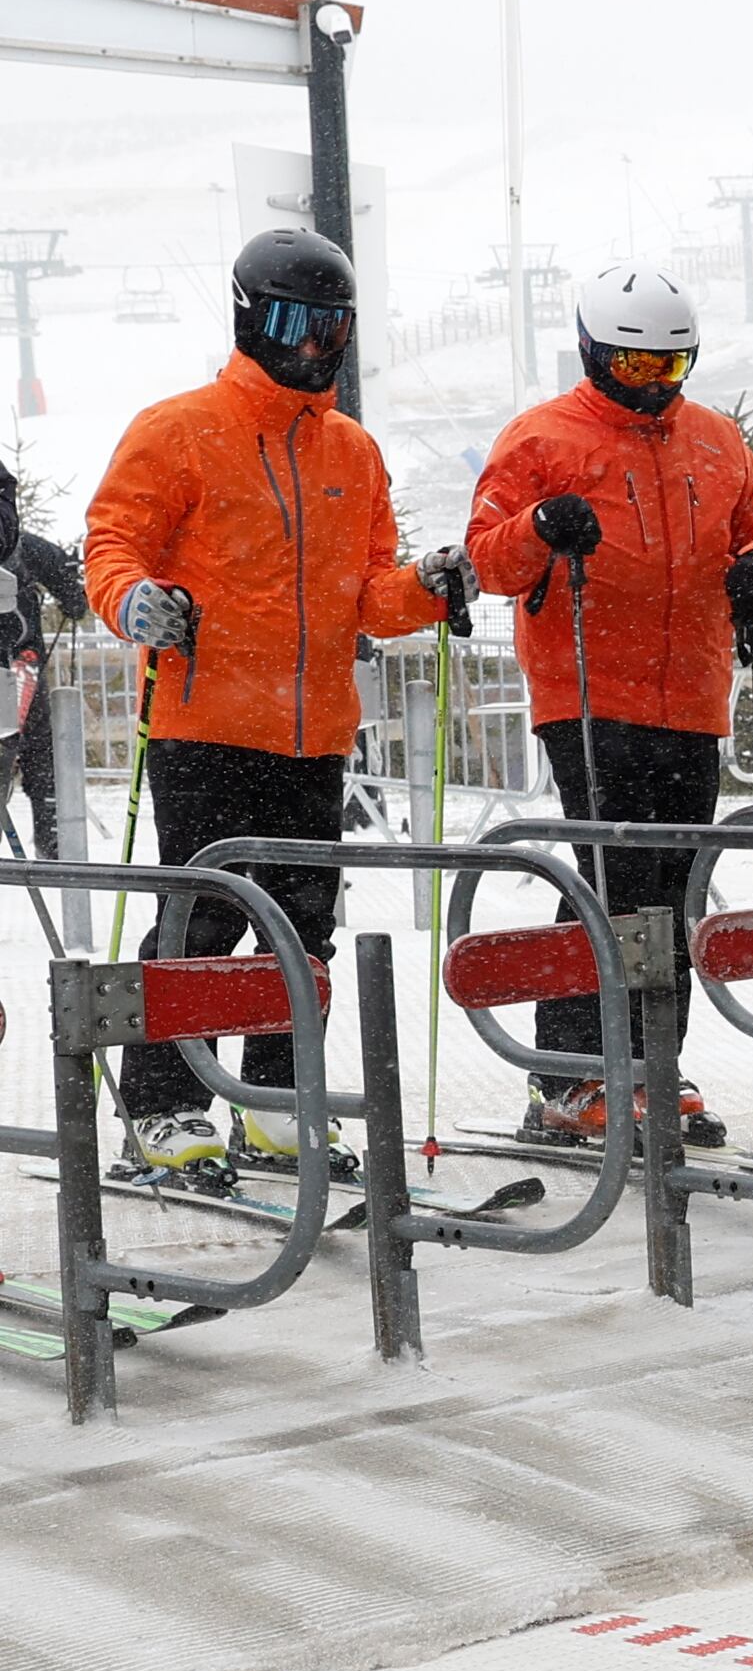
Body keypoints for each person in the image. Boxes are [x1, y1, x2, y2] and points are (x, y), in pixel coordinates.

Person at [86, 229, 468, 1179]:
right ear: (250, 317)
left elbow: (369, 595)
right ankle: (165, 1106)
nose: (313, 346)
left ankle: (278, 1103)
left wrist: (426, 583)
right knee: (202, 920)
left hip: (314, 733)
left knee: (302, 928)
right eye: (295, 323)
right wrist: (139, 604)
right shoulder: (178, 429)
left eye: (333, 327)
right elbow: (112, 545)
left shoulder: (353, 450)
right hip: (204, 721)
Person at [466, 265, 753, 1143]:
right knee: (613, 882)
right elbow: (488, 558)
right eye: (636, 367)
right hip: (588, 689)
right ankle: (573, 1075)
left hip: (691, 694)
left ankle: (653, 1063)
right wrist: (541, 529)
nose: (655, 386)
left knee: (672, 887)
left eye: (672, 368)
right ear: (591, 351)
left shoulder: (717, 439)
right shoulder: (541, 439)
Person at [0, 456, 86, 860]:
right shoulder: (19, 540)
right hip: (19, 658)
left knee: (36, 749)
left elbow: (65, 576)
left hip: (23, 659)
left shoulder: (19, 542)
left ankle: (50, 840)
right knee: (30, 748)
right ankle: (49, 838)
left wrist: (73, 593)